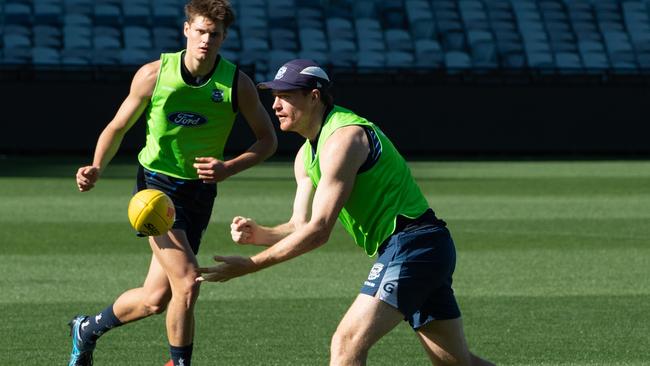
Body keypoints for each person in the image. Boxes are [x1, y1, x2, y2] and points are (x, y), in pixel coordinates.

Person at [196, 59, 494, 365]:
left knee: (346, 343)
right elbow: (301, 224)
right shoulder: (304, 155)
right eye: (274, 96)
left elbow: (319, 231)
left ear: (314, 96)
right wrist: (262, 234)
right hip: (421, 247)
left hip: (414, 244)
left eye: (285, 96)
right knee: (457, 363)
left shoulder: (344, 138)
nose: (275, 105)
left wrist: (251, 264)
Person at [68, 1, 277, 365]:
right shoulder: (153, 74)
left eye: (214, 34)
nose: (205, 40)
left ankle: (86, 329)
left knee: (154, 299)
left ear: (224, 37)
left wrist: (228, 167)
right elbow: (118, 126)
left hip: (199, 192)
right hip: (155, 189)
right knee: (188, 280)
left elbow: (267, 141)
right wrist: (97, 166)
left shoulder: (236, 83)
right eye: (200, 31)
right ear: (186, 30)